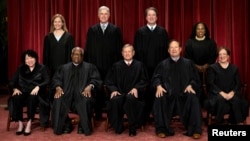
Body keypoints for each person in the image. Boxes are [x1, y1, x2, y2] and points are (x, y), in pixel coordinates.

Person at [152, 40, 202, 139]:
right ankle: (162, 129)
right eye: (171, 48)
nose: (174, 49)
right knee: (159, 98)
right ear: (168, 50)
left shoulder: (188, 63)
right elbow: (156, 77)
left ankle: (195, 130)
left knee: (193, 98)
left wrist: (191, 85)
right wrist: (158, 86)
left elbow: (195, 79)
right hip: (168, 94)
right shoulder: (162, 64)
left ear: (180, 49)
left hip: (184, 94)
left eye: (176, 47)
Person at [51, 47, 102, 136]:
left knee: (86, 100)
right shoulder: (64, 68)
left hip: (82, 94)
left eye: (79, 54)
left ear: (82, 56)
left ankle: (83, 125)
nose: (77, 56)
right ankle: (66, 124)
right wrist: (58, 87)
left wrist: (90, 86)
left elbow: (96, 79)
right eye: (75, 54)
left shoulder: (89, 67)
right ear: (71, 55)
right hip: (66, 94)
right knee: (57, 100)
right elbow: (56, 79)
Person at [85, 6, 123, 120]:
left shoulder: (115, 30)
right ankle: (97, 113)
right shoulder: (92, 30)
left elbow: (119, 48)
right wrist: (90, 66)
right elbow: (88, 49)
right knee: (97, 88)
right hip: (95, 65)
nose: (103, 16)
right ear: (98, 15)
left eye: (106, 14)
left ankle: (111, 115)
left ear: (109, 15)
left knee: (110, 88)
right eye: (101, 14)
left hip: (111, 65)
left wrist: (117, 65)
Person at [133, 7, 170, 124]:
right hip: (144, 68)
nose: (151, 17)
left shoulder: (163, 32)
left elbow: (166, 51)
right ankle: (144, 116)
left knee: (158, 91)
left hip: (159, 68)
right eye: (149, 15)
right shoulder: (140, 32)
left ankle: (158, 116)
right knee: (145, 92)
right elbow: (137, 51)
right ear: (146, 17)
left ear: (157, 17)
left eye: (153, 15)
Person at [105, 44, 149, 136]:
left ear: (133, 53)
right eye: (125, 52)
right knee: (115, 100)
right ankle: (118, 126)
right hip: (120, 92)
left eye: (129, 51)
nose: (127, 53)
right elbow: (109, 81)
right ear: (122, 53)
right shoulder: (116, 66)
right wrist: (113, 89)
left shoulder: (139, 65)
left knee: (131, 99)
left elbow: (144, 80)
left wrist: (136, 88)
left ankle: (132, 127)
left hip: (134, 94)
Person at [43, 13, 75, 127]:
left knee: (64, 94)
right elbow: (45, 56)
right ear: (53, 24)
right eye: (55, 22)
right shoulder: (48, 37)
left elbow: (72, 55)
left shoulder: (69, 37)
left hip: (65, 71)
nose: (57, 23)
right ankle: (56, 119)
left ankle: (64, 119)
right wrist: (47, 71)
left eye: (59, 21)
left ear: (63, 23)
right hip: (52, 71)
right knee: (54, 95)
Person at [8, 49, 50, 136]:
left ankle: (29, 122)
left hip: (37, 92)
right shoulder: (21, 68)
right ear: (24, 60)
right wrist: (15, 89)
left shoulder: (42, 68)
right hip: (23, 91)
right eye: (27, 59)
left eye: (31, 58)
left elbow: (47, 80)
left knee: (32, 97)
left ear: (35, 58)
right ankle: (20, 123)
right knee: (16, 97)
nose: (29, 60)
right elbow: (12, 81)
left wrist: (38, 86)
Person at [206, 47, 248, 125]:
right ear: (218, 56)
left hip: (232, 93)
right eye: (220, 54)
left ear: (228, 56)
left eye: (224, 54)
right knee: (220, 100)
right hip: (217, 94)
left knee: (237, 100)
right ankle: (219, 122)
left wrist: (232, 92)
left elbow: (238, 83)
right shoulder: (212, 68)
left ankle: (238, 122)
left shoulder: (234, 68)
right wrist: (222, 93)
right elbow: (210, 83)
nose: (222, 56)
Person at [184, 22, 217, 106]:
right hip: (193, 69)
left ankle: (209, 104)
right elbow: (188, 56)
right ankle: (195, 104)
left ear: (205, 30)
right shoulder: (189, 42)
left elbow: (213, 55)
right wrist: (196, 66)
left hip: (208, 69)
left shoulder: (211, 42)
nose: (200, 30)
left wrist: (207, 65)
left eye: (202, 28)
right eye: (198, 29)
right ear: (195, 31)